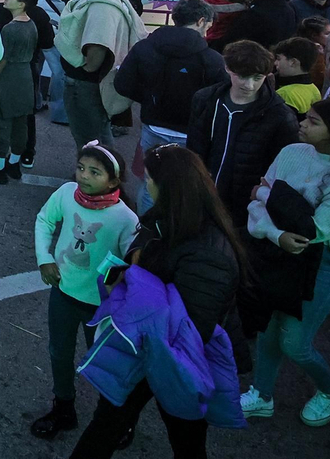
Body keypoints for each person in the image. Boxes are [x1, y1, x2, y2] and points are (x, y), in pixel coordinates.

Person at [68, 145, 245, 458]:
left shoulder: (209, 254)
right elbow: (134, 261)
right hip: (145, 345)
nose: (144, 184)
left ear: (171, 188)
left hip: (174, 357)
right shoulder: (165, 218)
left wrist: (134, 292)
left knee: (185, 436)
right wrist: (115, 279)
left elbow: (191, 329)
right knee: (109, 422)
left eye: (149, 178)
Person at [240, 99, 330, 427]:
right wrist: (275, 231)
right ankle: (262, 394)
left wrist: (266, 195)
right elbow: (257, 206)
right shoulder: (292, 152)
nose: (302, 123)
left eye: (313, 121)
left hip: (322, 265)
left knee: (295, 343)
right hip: (279, 256)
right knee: (270, 331)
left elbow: (311, 231)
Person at [29, 143, 140, 440]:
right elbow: (45, 220)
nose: (83, 176)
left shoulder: (125, 219)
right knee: (59, 353)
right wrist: (45, 258)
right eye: (80, 168)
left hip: (101, 308)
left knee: (106, 362)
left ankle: (114, 418)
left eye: (94, 172)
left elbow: (136, 266)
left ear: (113, 181)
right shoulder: (66, 193)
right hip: (63, 295)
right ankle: (63, 408)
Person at [113, 0, 225, 205]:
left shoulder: (145, 47)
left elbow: (122, 84)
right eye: (209, 24)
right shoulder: (212, 59)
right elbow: (221, 98)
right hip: (190, 133)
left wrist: (150, 98)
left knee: (150, 184)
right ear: (201, 21)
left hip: (152, 127)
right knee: (183, 189)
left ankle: (145, 232)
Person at [187, 40, 300, 226]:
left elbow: (283, 169)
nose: (249, 85)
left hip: (246, 205)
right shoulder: (205, 99)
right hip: (203, 194)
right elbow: (194, 145)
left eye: (257, 77)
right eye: (243, 76)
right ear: (227, 68)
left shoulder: (280, 115)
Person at [56, 0, 146, 150]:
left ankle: (96, 174)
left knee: (88, 137)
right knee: (100, 133)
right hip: (100, 83)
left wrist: (86, 67)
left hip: (86, 84)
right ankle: (106, 172)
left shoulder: (100, 6)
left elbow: (97, 46)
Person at [0, 0, 39, 176]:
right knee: (20, 123)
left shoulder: (10, 29)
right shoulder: (31, 25)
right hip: (25, 77)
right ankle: (14, 163)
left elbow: (2, 59)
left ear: (22, 3)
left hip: (8, 78)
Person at [272, 37, 323, 116]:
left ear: (293, 62)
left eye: (279, 59)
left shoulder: (284, 94)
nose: (275, 63)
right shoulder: (314, 90)